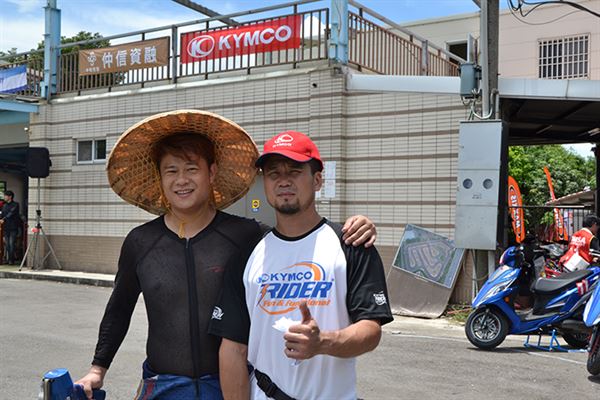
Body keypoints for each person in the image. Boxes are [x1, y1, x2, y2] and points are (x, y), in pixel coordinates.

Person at [75, 110, 377, 400]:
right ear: (160, 178)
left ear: (212, 173)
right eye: (171, 171)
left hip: (227, 384)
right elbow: (119, 309)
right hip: (162, 384)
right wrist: (97, 370)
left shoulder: (245, 235)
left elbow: (296, 233)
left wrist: (355, 225)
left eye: (192, 169)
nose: (181, 180)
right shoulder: (141, 242)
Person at [210, 131, 393, 400]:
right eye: (273, 173)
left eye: (294, 171)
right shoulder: (247, 254)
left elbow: (371, 330)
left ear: (317, 180)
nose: (283, 181)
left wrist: (323, 343)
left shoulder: (351, 245)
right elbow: (233, 348)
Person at [1, 190, 21, 264]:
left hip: (13, 227)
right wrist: (1, 218)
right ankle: (8, 259)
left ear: (10, 197)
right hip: (6, 227)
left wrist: (3, 219)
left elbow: (11, 213)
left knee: (11, 243)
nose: (4, 197)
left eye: (5, 196)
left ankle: (11, 260)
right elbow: (2, 214)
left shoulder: (16, 204)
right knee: (7, 244)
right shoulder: (4, 205)